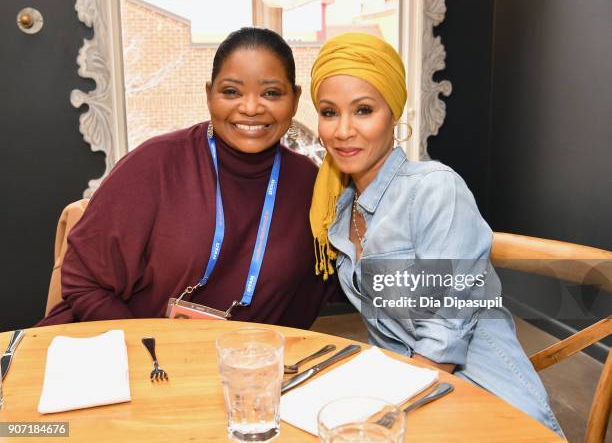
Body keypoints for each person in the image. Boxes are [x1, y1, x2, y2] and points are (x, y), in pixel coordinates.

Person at [308, 32, 563, 435]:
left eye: (363, 110)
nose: (342, 131)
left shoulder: (434, 189)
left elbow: (444, 337)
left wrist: (378, 416)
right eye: (328, 112)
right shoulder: (339, 212)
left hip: (485, 400)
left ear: (393, 114)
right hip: (412, 394)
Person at [38, 27, 335, 328]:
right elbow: (84, 281)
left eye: (271, 93)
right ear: (209, 95)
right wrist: (151, 350)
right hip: (116, 346)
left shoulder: (309, 183)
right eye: (231, 91)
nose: (250, 108)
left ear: (295, 99)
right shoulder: (156, 163)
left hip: (233, 363)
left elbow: (306, 298)